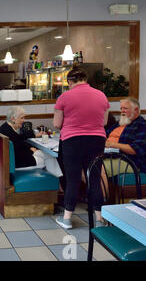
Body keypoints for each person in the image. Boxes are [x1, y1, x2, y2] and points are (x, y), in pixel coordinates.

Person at [53, 67, 110, 229]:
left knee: (73, 179)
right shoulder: (101, 95)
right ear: (85, 80)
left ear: (70, 81)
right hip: (97, 140)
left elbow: (57, 124)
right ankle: (99, 220)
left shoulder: (64, 97)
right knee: (94, 178)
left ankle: (67, 219)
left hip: (73, 141)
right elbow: (104, 122)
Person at [0, 106, 63, 178]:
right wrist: (32, 151)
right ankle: (59, 180)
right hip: (19, 164)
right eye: (21, 118)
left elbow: (19, 139)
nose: (23, 120)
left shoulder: (5, 128)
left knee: (46, 154)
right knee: (49, 157)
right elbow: (19, 152)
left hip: (14, 161)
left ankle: (58, 180)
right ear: (13, 119)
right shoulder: (9, 132)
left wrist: (32, 145)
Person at [105, 97, 145, 173]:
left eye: (125, 108)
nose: (122, 111)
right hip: (108, 155)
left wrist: (112, 144)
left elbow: (134, 150)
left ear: (136, 110)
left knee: (96, 167)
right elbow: (104, 135)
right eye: (121, 108)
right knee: (82, 163)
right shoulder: (119, 124)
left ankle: (99, 185)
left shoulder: (141, 125)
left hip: (130, 161)